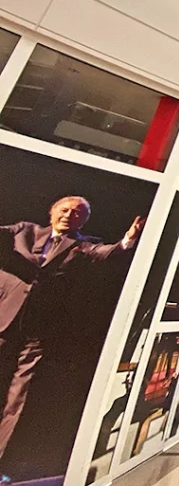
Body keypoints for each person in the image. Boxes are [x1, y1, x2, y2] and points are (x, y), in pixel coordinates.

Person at [0, 196, 144, 467]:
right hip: (4, 318)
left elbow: (106, 252)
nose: (69, 215)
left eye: (77, 213)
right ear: (52, 211)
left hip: (39, 331)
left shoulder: (81, 245)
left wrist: (127, 240)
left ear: (84, 220)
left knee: (18, 395)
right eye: (64, 210)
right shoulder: (24, 230)